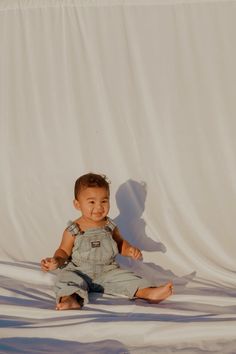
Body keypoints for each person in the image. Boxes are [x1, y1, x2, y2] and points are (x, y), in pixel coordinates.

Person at [41, 173, 173, 310]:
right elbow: (63, 250)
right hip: (79, 271)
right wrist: (57, 260)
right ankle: (69, 299)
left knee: (129, 278)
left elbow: (120, 243)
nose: (99, 207)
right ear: (77, 204)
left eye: (104, 201)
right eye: (92, 202)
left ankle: (148, 292)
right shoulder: (73, 229)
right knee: (65, 280)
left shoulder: (110, 226)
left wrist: (129, 250)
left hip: (108, 272)